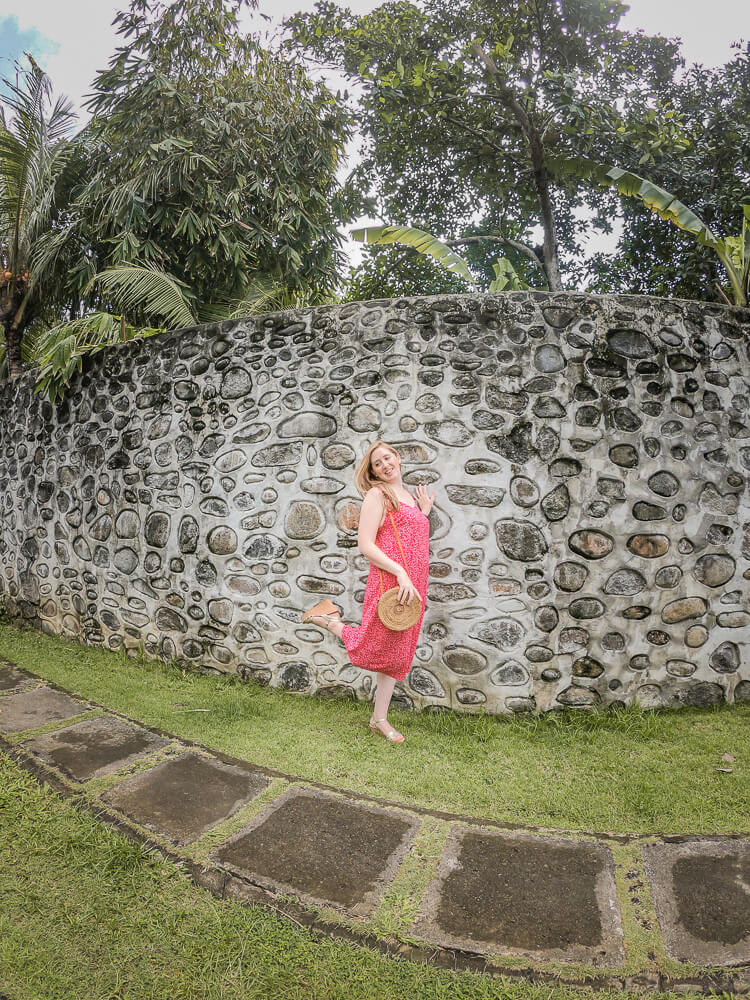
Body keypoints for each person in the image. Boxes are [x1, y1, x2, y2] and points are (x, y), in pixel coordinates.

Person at [302, 440, 435, 744]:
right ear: (373, 472)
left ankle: (379, 718)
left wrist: (423, 513)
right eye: (378, 463)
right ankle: (329, 619)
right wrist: (400, 572)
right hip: (391, 580)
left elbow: (410, 536)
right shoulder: (378, 494)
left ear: (398, 458)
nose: (385, 464)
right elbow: (366, 544)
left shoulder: (409, 499)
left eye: (388, 457)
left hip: (414, 584)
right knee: (373, 643)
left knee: (397, 652)